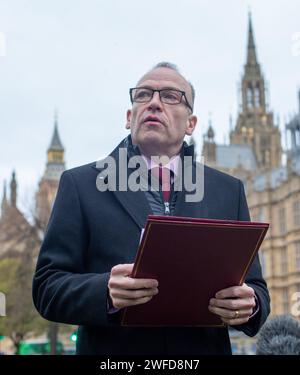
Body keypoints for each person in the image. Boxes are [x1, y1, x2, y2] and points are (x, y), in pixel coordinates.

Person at [32, 62, 270, 355]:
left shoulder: (228, 190)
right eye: (144, 94)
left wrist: (250, 304)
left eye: (171, 96)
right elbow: (47, 288)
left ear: (191, 124)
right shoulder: (81, 185)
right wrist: (104, 291)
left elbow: (257, 289)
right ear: (130, 116)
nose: (155, 102)